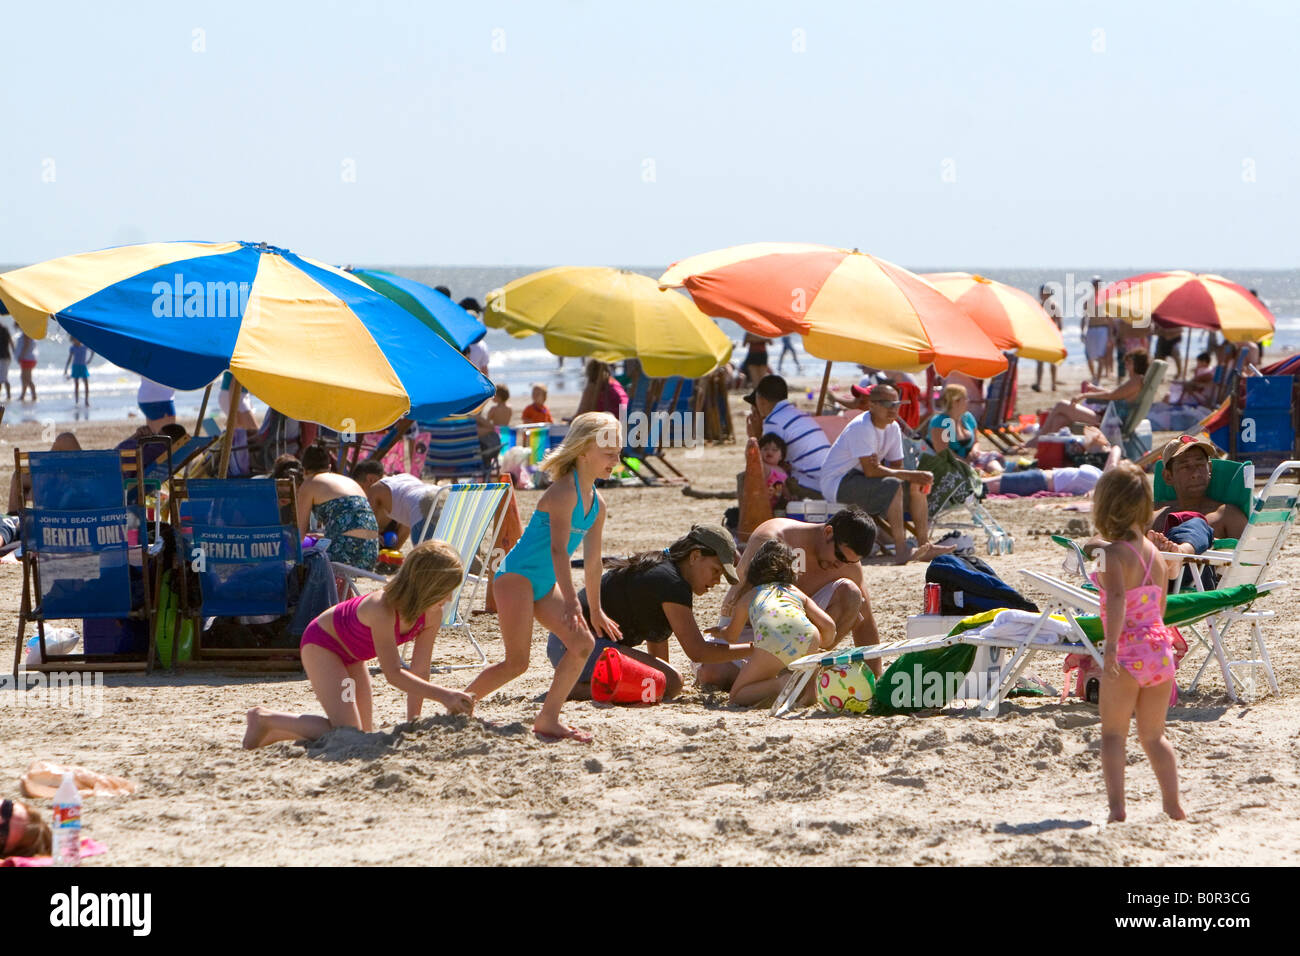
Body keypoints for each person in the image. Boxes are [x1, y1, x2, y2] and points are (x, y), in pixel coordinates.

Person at [467, 412, 623, 742]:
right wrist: (571, 600)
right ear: (583, 451)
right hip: (516, 578)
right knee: (516, 663)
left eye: (618, 452)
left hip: (543, 583)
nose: (616, 459)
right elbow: (558, 552)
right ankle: (460, 704)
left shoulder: (597, 503)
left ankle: (548, 719)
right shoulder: (564, 491)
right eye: (609, 452)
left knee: (583, 645)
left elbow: (593, 564)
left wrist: (595, 609)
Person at [242, 540, 476, 748]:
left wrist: (412, 722)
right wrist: (445, 695)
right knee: (348, 733)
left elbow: (420, 670)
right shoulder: (382, 608)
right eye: (445, 592)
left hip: (353, 657)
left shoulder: (432, 614)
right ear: (426, 588)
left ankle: (274, 733)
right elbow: (393, 674)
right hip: (323, 647)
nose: (449, 599)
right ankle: (264, 719)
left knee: (363, 735)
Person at [546, 524, 753, 700]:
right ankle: (576, 689)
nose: (717, 581)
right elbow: (698, 651)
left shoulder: (664, 569)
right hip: (578, 647)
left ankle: (577, 681)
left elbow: (656, 634)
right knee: (671, 684)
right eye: (716, 571)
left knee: (666, 682)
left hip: (564, 642)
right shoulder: (672, 583)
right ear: (695, 556)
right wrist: (755, 648)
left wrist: (661, 673)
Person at [1091, 463, 1186, 822]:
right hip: (1158, 649)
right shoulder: (1155, 555)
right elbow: (1160, 606)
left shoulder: (1113, 555)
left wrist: (1111, 646)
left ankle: (1117, 808)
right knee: (1154, 737)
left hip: (1127, 650)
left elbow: (1115, 598)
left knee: (1114, 735)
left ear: (1105, 507)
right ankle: (1172, 804)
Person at [701, 506, 880, 688]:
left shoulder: (848, 566)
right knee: (713, 675)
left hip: (799, 637)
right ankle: (787, 676)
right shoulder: (776, 538)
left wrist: (875, 679)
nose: (839, 565)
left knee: (852, 593)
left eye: (849, 561)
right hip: (750, 631)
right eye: (840, 556)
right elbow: (742, 602)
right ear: (828, 532)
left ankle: (800, 669)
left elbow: (864, 620)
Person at [818, 384, 939, 564]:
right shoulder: (861, 426)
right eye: (886, 404)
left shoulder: (893, 428)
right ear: (872, 405)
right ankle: (901, 549)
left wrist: (911, 476)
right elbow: (872, 470)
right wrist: (897, 473)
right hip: (838, 482)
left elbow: (896, 467)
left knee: (916, 484)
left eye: (896, 404)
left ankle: (925, 544)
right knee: (893, 485)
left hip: (861, 478)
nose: (893, 409)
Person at [711, 540, 836, 707]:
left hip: (773, 638)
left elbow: (732, 637)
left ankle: (781, 683)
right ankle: (810, 692)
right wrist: (823, 641)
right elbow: (829, 626)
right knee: (809, 653)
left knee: (737, 695)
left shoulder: (749, 596)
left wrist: (720, 632)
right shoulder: (793, 591)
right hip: (808, 634)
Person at [1145, 436, 1247, 576]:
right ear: (1168, 476)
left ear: (1209, 468)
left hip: (1201, 586)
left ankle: (1177, 557)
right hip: (1154, 583)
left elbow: (1249, 562)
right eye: (1185, 467)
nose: (1196, 474)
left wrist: (1212, 545)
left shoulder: (1226, 515)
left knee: (1197, 523)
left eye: (1200, 465)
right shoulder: (1151, 513)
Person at [742, 374, 830, 500]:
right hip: (827, 482)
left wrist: (754, 438)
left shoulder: (773, 421)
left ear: (760, 400)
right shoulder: (797, 414)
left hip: (812, 485)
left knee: (750, 477)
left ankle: (756, 519)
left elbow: (763, 463)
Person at [294, 444, 381, 571]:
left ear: (304, 470)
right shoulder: (349, 481)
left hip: (344, 553)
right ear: (329, 467)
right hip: (371, 553)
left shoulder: (309, 483)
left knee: (305, 560)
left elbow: (298, 536)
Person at [1039, 350, 1150, 436]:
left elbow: (1111, 396)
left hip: (1110, 422)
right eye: (1126, 362)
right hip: (1109, 418)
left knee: (1061, 405)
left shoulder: (1136, 380)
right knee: (1059, 420)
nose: (1126, 365)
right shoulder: (1137, 381)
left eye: (1129, 362)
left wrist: (1084, 395)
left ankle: (1039, 437)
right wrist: (1095, 389)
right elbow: (1115, 394)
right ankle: (1042, 445)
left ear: (1137, 364)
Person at [353, 460, 441, 548]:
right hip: (441, 495)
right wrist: (393, 552)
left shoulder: (375, 488)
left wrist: (372, 536)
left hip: (423, 507)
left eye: (361, 487)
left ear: (370, 479)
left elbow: (368, 527)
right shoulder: (404, 479)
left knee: (426, 556)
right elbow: (406, 528)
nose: (361, 494)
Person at [8, 432, 82, 513]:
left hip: (56, 489)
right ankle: (14, 516)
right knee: (19, 476)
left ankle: (14, 517)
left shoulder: (79, 481)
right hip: (64, 487)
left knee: (18, 476)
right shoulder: (89, 474)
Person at [927, 384, 980, 461]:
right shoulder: (941, 422)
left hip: (970, 460)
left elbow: (976, 442)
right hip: (948, 463)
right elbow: (943, 452)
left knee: (994, 460)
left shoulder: (967, 417)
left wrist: (974, 451)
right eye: (965, 398)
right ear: (955, 401)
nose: (968, 401)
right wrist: (965, 463)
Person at [1082, 278, 1112, 384]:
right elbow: (1084, 318)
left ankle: (1097, 379)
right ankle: (1094, 376)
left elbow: (1110, 319)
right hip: (1091, 329)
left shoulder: (1106, 300)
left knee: (1101, 356)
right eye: (1095, 284)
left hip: (1102, 329)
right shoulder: (1088, 301)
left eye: (1098, 284)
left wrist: (1111, 335)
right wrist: (1082, 332)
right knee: (1088, 355)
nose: (1096, 286)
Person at [1033, 284, 1062, 392]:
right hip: (1042, 336)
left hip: (1050, 336)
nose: (1040, 294)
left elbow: (1059, 323)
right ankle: (1039, 384)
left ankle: (1053, 384)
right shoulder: (1039, 306)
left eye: (1042, 292)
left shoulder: (1053, 305)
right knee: (1040, 362)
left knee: (1051, 361)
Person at [758, 432, 789, 509]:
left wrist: (789, 496)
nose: (769, 452)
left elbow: (784, 487)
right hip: (763, 504)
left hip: (777, 505)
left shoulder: (781, 470)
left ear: (781, 456)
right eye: (765, 449)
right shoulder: (764, 467)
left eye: (774, 450)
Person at [63, 338, 93, 407]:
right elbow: (69, 358)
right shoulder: (72, 348)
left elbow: (92, 351)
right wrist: (66, 369)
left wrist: (89, 360)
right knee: (76, 385)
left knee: (86, 384)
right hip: (75, 367)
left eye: (75, 339)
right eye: (73, 340)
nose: (74, 341)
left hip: (83, 367)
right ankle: (77, 402)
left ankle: (86, 401)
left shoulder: (84, 346)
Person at [16, 331, 37, 402]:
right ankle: (23, 395)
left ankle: (33, 394)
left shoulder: (26, 333)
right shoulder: (29, 332)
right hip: (29, 358)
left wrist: (21, 355)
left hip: (27, 358)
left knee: (25, 378)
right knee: (25, 378)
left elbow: (26, 344)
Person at [0, 323, 12, 401]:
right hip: (5, 356)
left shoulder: (4, 329)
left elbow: (10, 341)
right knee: (2, 378)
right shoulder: (5, 329)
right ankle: (8, 395)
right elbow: (11, 341)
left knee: (3, 378)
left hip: (4, 357)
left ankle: (8, 396)